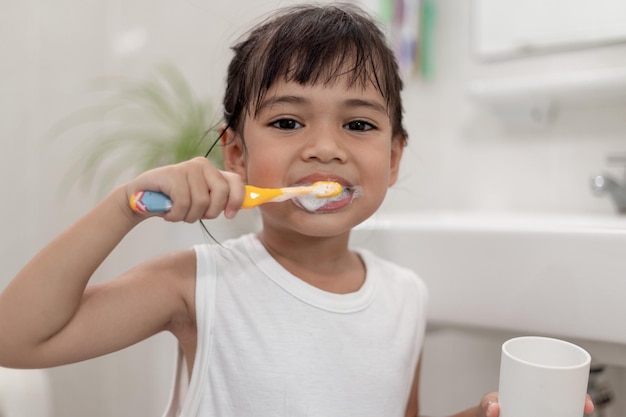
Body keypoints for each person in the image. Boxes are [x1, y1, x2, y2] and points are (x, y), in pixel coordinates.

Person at [0, 3, 594, 417]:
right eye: (287, 122)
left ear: (392, 158)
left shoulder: (405, 294)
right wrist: (127, 205)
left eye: (357, 124)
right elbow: (14, 340)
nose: (325, 147)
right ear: (235, 152)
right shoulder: (197, 284)